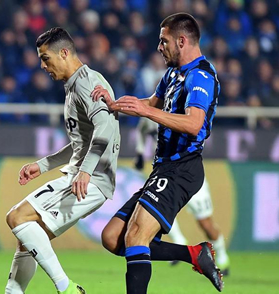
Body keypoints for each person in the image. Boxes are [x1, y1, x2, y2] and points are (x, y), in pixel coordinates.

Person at [91, 12, 223, 293]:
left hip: (182, 168)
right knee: (113, 237)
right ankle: (194, 255)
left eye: (164, 42)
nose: (159, 47)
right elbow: (150, 103)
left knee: (137, 235)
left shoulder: (201, 76)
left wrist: (147, 111)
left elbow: (193, 123)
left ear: (182, 41)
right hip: (163, 168)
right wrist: (116, 104)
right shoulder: (172, 74)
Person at [5, 27, 120, 294]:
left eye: (46, 58)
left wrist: (86, 172)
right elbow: (83, 141)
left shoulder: (87, 84)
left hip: (89, 179)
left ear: (64, 53)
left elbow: (106, 131)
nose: (42, 65)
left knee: (17, 217)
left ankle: (66, 288)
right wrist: (43, 165)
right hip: (83, 175)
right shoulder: (75, 87)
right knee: (29, 239)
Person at [134, 117, 231, 276]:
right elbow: (141, 129)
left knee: (205, 224)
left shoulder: (183, 113)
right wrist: (139, 152)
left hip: (189, 176)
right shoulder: (152, 114)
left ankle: (222, 256)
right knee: (158, 210)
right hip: (165, 175)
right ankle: (179, 240)